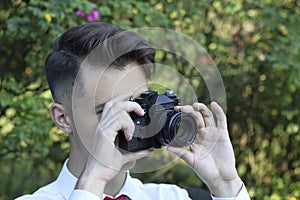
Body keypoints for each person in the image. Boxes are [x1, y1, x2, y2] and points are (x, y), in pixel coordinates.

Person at [16, 22, 250, 200]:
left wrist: (225, 184)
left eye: (139, 104)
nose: (129, 122)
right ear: (63, 118)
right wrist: (93, 182)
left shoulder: (170, 197)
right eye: (108, 111)